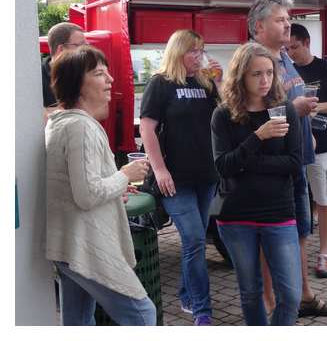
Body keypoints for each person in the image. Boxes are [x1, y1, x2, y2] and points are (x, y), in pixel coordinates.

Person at [45, 45, 156, 325]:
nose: (110, 80)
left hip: (68, 244)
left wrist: (117, 186)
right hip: (85, 246)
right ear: (77, 85)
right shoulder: (80, 127)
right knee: (143, 315)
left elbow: (77, 185)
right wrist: (125, 175)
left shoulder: (62, 123)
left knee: (79, 322)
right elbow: (87, 195)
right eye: (98, 73)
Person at [248, 0, 327, 317]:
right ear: (259, 26)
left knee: (300, 230)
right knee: (270, 235)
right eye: (280, 19)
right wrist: (294, 108)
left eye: (288, 19)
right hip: (273, 166)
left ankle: (304, 296)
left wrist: (307, 134)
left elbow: (292, 107)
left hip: (297, 160)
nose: (288, 24)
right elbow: (251, 114)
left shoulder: (285, 58)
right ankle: (269, 303)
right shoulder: (254, 60)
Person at [211, 42, 303, 325]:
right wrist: (258, 137)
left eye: (269, 73)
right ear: (241, 76)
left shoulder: (284, 109)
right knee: (250, 293)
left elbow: (294, 162)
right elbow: (223, 166)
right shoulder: (224, 114)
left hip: (278, 212)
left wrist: (247, 163)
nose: (265, 80)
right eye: (256, 74)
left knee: (291, 296)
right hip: (237, 215)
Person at [139, 29, 223, 326]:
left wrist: (220, 82)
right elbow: (147, 128)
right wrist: (160, 169)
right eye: (192, 51)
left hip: (206, 175)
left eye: (201, 50)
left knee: (194, 242)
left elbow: (226, 115)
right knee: (195, 239)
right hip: (175, 179)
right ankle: (202, 308)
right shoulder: (161, 83)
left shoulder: (205, 82)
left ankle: (187, 294)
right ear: (178, 52)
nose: (199, 56)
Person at [287, 23, 327, 278]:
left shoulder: (326, 68)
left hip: (323, 145)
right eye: (287, 48)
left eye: (294, 47)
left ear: (307, 43)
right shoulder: (285, 69)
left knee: (324, 198)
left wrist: (317, 108)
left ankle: (324, 255)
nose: (290, 53)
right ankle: (295, 252)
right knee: (294, 200)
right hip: (293, 147)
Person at [42, 22, 86, 116]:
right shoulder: (37, 78)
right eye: (80, 46)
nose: (85, 50)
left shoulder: (83, 73)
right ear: (61, 49)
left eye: (86, 45)